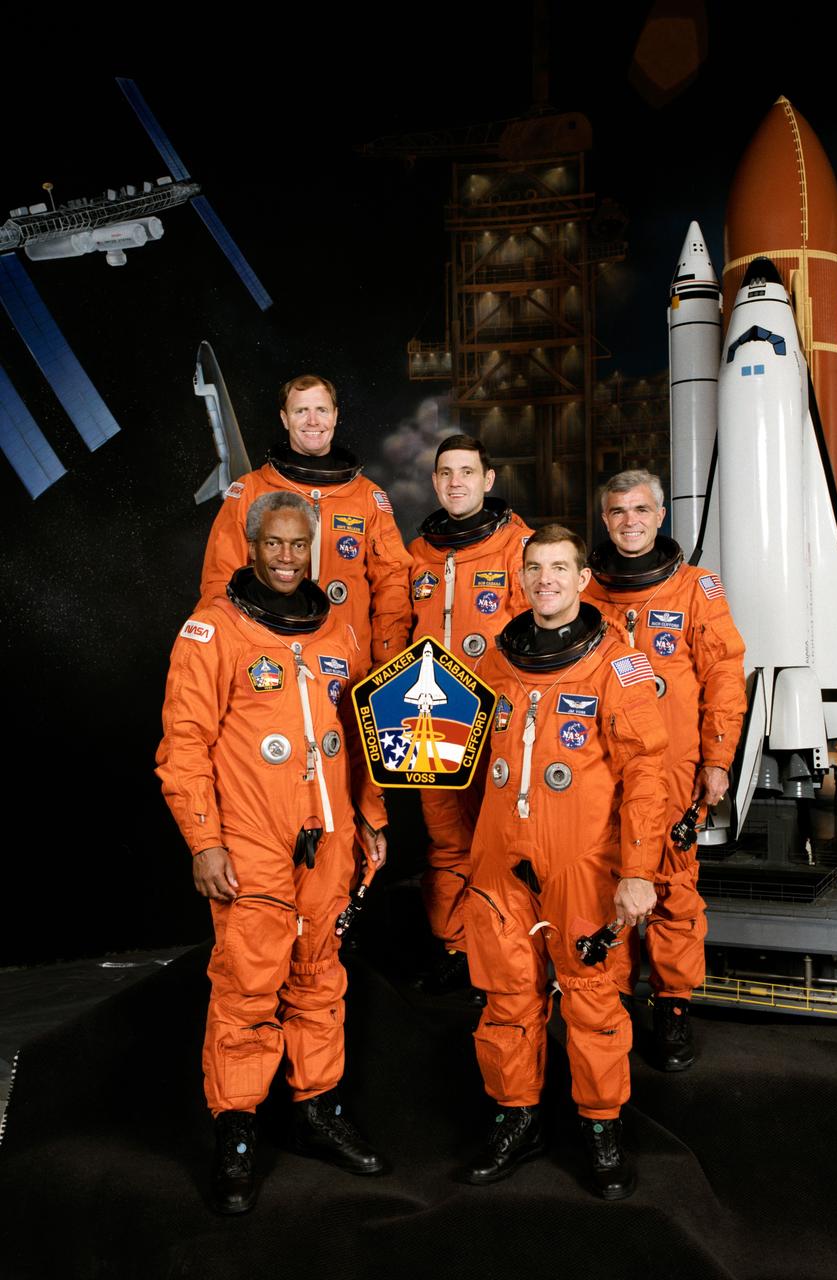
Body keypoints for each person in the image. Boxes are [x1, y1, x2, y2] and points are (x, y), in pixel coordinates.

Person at [157, 491, 389, 1215]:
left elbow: (361, 732)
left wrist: (371, 817)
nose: (287, 558)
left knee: (319, 976)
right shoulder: (213, 629)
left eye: (298, 545)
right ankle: (237, 1129)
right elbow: (183, 747)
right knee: (248, 985)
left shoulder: (337, 631)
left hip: (330, 837)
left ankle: (316, 1108)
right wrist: (204, 841)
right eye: (275, 544)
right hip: (252, 839)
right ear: (252, 548)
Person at [462, 525, 668, 1200]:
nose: (544, 579)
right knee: (505, 995)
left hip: (582, 859)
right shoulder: (496, 660)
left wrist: (637, 870)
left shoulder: (618, 664)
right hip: (501, 857)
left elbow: (646, 773)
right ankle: (516, 1117)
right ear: (520, 578)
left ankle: (602, 1129)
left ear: (582, 580)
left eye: (558, 568)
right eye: (534, 568)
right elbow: (458, 754)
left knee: (592, 995)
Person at [585, 470, 746, 1072]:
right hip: (601, 764)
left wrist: (718, 757)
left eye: (640, 509)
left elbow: (723, 675)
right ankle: (611, 999)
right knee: (604, 880)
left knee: (672, 886)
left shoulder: (695, 589)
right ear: (605, 520)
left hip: (674, 767)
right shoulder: (585, 592)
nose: (630, 521)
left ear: (660, 515)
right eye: (618, 511)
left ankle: (673, 1003)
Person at [406, 434, 532, 991]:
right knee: (447, 842)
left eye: (467, 472)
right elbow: (396, 630)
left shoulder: (518, 548)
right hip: (431, 717)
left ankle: (505, 955)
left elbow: (537, 639)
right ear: (435, 482)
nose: (456, 482)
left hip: (498, 720)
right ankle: (455, 947)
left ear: (488, 479)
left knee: (501, 842)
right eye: (446, 473)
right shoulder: (417, 554)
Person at [200, 374, 412, 673]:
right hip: (267, 666)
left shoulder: (367, 497)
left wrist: (388, 665)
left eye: (321, 410)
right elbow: (220, 582)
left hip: (350, 667)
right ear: (285, 419)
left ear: (335, 416)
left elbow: (392, 586)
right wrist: (224, 659)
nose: (313, 421)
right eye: (301, 411)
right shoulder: (250, 491)